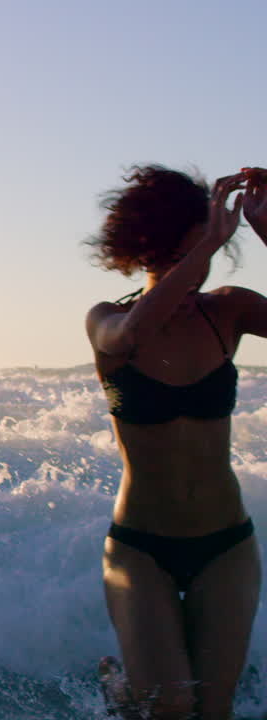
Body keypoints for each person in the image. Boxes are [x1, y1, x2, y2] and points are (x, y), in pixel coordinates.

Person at [85, 166, 263, 720]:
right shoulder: (107, 322)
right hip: (141, 550)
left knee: (211, 712)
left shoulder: (227, 312)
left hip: (226, 546)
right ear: (146, 253)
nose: (195, 277)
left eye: (204, 261)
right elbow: (136, 333)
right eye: (181, 260)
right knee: (168, 708)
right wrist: (206, 244)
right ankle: (122, 691)